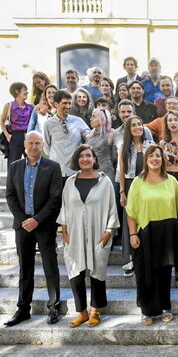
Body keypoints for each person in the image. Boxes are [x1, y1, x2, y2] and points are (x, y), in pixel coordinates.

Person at [4, 131, 63, 327]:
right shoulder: (14, 167)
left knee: (50, 267)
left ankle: (54, 307)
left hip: (44, 226)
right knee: (25, 268)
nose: (34, 147)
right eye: (31, 143)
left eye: (38, 143)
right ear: (25, 145)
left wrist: (36, 220)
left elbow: (55, 198)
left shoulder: (53, 168)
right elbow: (10, 196)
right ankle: (23, 309)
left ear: (43, 145)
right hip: (22, 226)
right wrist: (23, 220)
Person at [59, 144, 119, 327]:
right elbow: (64, 207)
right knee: (75, 272)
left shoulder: (104, 181)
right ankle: (82, 312)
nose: (85, 159)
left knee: (97, 272)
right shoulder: (70, 182)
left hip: (98, 233)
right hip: (74, 234)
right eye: (81, 156)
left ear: (94, 159)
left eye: (88, 156)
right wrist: (64, 230)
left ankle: (95, 311)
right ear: (77, 160)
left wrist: (109, 230)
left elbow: (112, 207)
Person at [126, 144, 178, 325]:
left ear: (163, 159)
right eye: (151, 156)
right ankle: (148, 311)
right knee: (145, 273)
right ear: (146, 159)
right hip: (145, 232)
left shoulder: (171, 181)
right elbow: (131, 211)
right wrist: (132, 234)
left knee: (164, 272)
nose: (154, 159)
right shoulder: (138, 182)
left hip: (168, 232)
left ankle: (165, 307)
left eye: (158, 156)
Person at [118, 115, 153, 276]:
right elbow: (122, 172)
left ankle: (148, 257)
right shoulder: (124, 147)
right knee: (131, 222)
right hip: (131, 187)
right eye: (134, 125)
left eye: (139, 124)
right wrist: (122, 192)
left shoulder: (150, 145)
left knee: (147, 221)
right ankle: (132, 259)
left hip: (147, 187)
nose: (138, 127)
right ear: (129, 129)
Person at [44, 90, 90, 178]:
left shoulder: (78, 121)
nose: (68, 106)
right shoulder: (48, 123)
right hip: (56, 171)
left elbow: (89, 137)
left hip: (74, 171)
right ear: (56, 104)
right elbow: (46, 146)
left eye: (70, 103)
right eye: (65, 103)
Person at [1, 82, 34, 163]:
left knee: (32, 161)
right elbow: (1, 121)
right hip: (15, 136)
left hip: (28, 135)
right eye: (25, 90)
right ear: (17, 91)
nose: (27, 92)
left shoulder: (31, 107)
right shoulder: (8, 106)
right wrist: (7, 135)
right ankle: (13, 176)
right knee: (13, 162)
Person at [83, 109, 116, 181]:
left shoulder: (111, 135)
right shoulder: (89, 135)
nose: (91, 119)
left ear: (102, 119)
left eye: (94, 116)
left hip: (106, 175)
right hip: (90, 173)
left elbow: (115, 157)